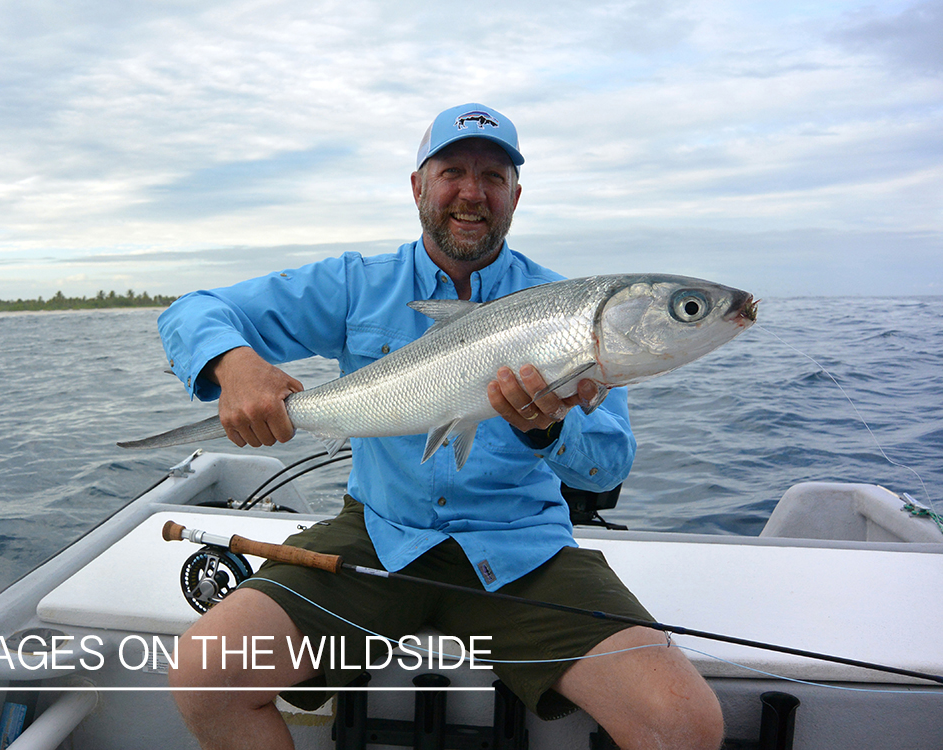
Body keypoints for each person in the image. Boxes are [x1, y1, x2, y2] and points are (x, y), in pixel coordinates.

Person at [160, 103, 724, 750]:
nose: (471, 192)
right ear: (417, 186)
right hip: (378, 535)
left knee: (684, 724)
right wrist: (233, 365)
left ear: (515, 195)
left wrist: (545, 430)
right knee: (206, 676)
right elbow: (193, 310)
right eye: (451, 170)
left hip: (522, 551)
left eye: (492, 176)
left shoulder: (571, 309)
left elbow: (607, 464)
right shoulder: (354, 286)